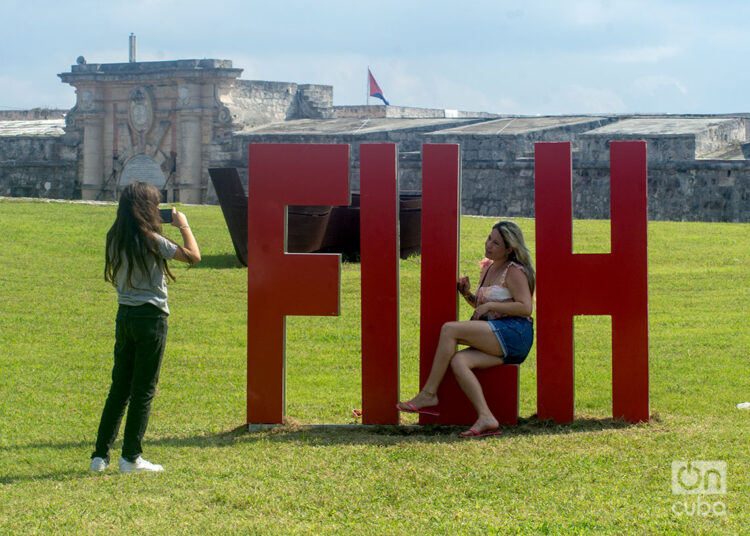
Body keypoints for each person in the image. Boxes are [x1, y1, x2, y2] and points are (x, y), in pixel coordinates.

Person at [90, 182, 201, 473]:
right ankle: (131, 458)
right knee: (143, 391)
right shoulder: (151, 239)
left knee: (119, 389)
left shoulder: (115, 237)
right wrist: (184, 225)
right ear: (146, 209)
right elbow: (193, 256)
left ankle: (99, 457)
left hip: (124, 316)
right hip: (150, 318)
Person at [397, 220, 535, 437]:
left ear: (509, 249)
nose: (489, 245)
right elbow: (482, 308)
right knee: (459, 361)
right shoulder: (488, 267)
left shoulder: (514, 270)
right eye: (489, 238)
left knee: (449, 330)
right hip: (498, 332)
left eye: (496, 243)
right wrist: (467, 294)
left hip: (515, 332)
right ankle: (486, 417)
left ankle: (428, 394)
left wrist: (489, 305)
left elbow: (526, 307)